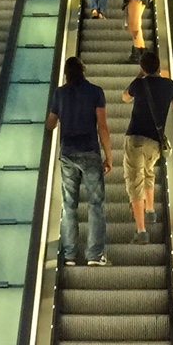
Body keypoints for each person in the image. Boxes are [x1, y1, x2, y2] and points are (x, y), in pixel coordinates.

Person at [46, 55, 114, 266]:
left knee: (69, 204)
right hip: (90, 152)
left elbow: (50, 124)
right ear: (83, 71)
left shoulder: (60, 93)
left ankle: (69, 255)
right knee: (95, 204)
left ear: (66, 74)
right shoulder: (96, 92)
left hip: (68, 153)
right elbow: (102, 126)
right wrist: (109, 155)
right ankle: (94, 255)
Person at [122, 50, 173, 243]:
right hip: (155, 142)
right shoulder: (169, 86)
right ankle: (150, 211)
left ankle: (141, 231)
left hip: (136, 138)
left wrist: (140, 75)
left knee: (135, 181)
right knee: (149, 173)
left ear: (143, 68)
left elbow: (125, 97)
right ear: (158, 66)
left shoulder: (139, 84)